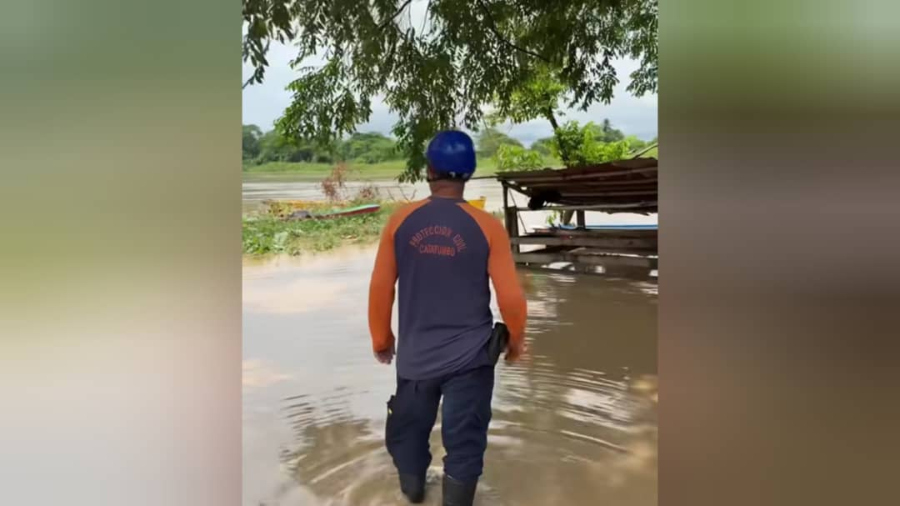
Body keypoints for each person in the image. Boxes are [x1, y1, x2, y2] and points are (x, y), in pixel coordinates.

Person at [368, 130, 528, 505]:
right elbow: (510, 296)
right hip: (472, 361)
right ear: (469, 172)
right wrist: (517, 341)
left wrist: (381, 339)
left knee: (407, 435)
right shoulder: (487, 226)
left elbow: (380, 288)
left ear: (429, 170)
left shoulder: (400, 221)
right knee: (465, 443)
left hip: (415, 359)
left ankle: (413, 492)